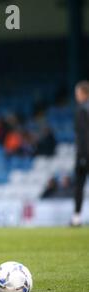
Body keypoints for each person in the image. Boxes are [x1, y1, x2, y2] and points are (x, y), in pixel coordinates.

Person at [72, 80, 89, 227]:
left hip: (84, 154)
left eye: (77, 93)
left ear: (84, 94)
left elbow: (83, 134)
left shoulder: (81, 110)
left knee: (79, 185)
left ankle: (76, 217)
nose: (76, 96)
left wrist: (83, 156)